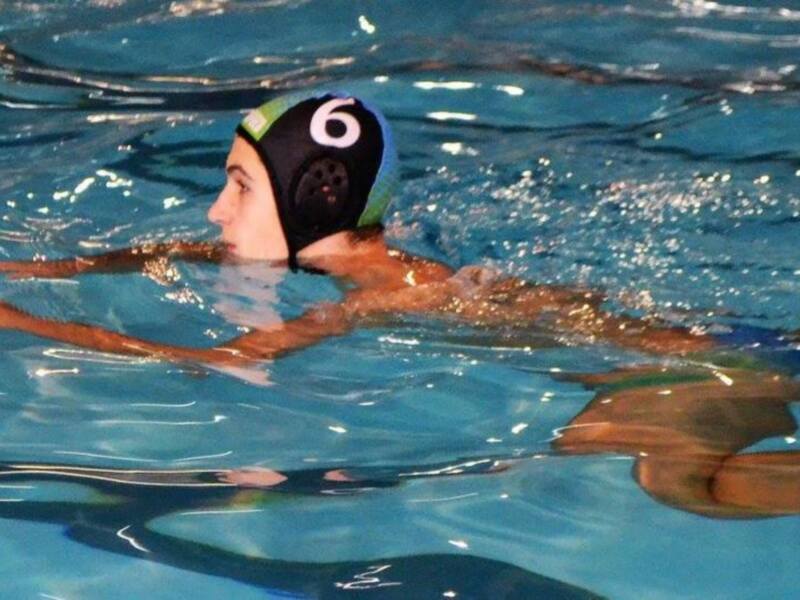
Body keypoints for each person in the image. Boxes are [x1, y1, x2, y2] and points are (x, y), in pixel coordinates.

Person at [0, 90, 723, 368]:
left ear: (313, 200)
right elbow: (170, 251)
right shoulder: (325, 259)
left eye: (241, 186)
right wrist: (42, 273)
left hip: (665, 353)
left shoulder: (381, 294)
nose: (217, 210)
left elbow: (225, 359)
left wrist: (20, 321)